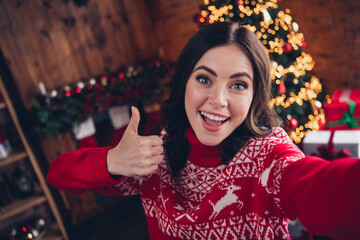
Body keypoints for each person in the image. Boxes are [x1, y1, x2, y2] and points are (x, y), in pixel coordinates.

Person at [47, 22, 360, 240]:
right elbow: (58, 174)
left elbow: (328, 190)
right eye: (204, 79)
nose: (218, 100)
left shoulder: (268, 158)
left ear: (254, 97)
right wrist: (112, 161)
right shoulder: (155, 153)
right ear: (184, 81)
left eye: (238, 85)